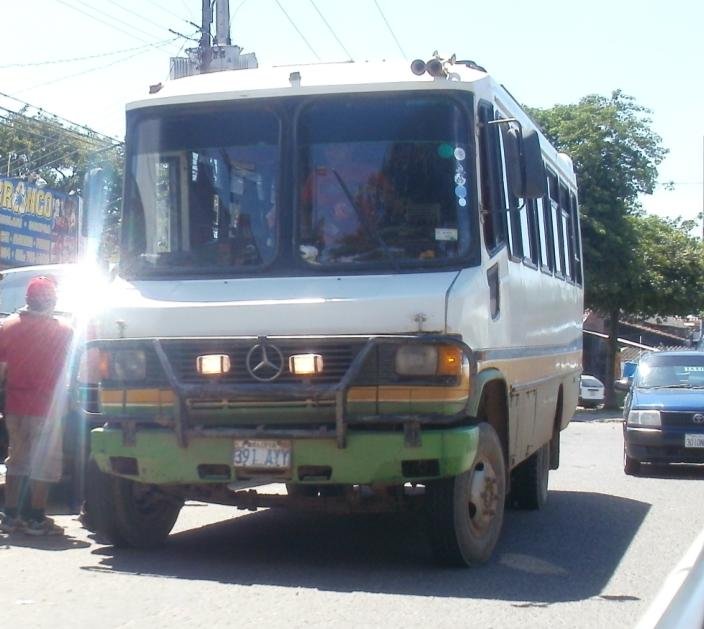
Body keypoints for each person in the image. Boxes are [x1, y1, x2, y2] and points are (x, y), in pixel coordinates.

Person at [0, 276, 73, 536]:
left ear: (27, 300)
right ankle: (36, 518)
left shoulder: (7, 327)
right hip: (46, 408)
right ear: (52, 301)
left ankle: (10, 516)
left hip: (15, 406)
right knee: (44, 462)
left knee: (16, 459)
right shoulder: (64, 330)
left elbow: (2, 370)